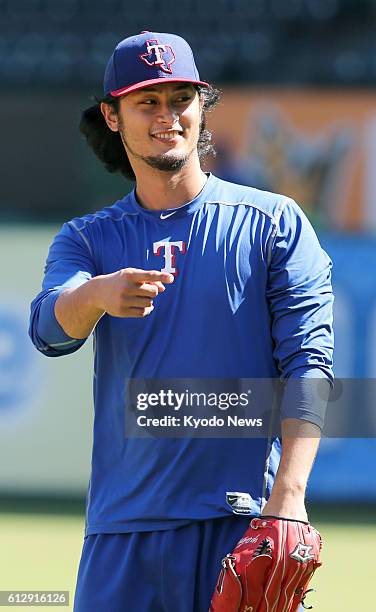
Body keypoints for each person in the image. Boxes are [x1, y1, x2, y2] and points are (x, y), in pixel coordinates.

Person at [29, 31, 334, 612]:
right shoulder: (88, 240)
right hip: (123, 531)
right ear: (112, 117)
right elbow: (48, 329)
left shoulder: (273, 222)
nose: (167, 116)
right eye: (147, 102)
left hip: (241, 526)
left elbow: (309, 364)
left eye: (181, 99)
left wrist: (289, 499)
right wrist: (96, 294)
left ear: (202, 107)